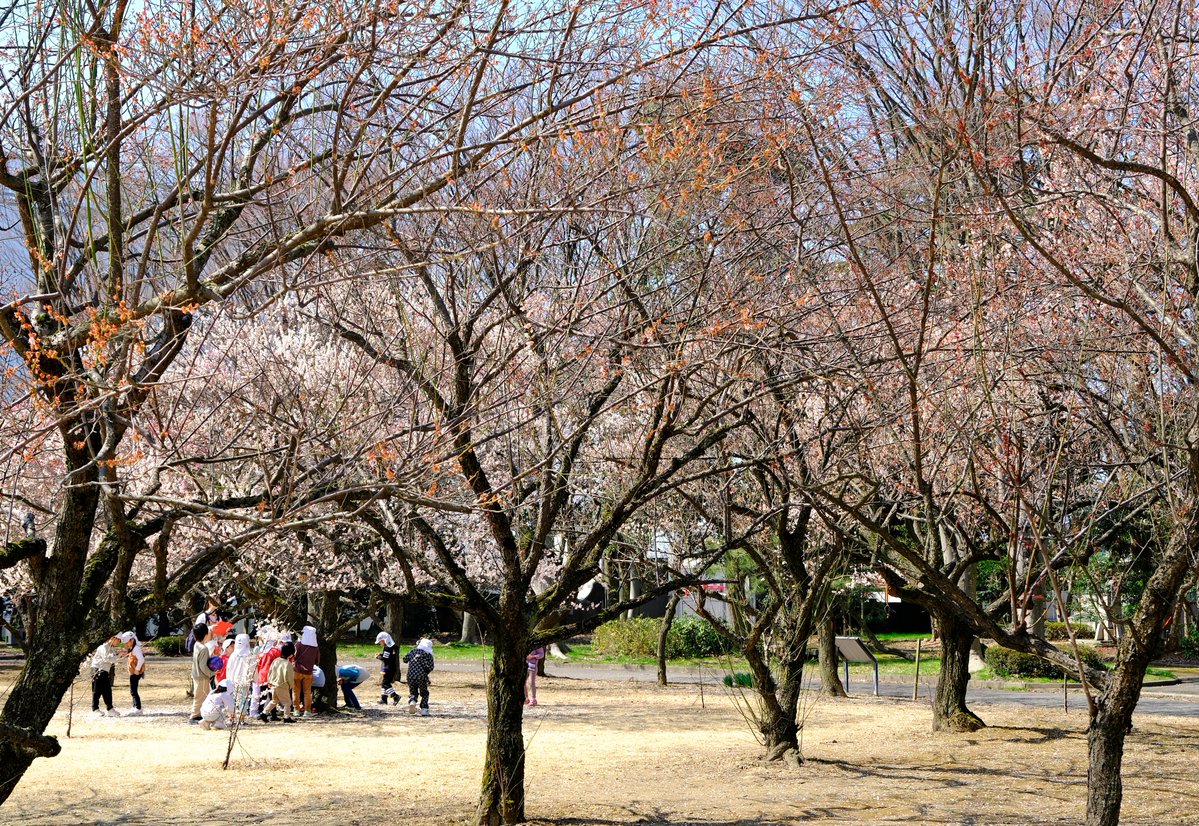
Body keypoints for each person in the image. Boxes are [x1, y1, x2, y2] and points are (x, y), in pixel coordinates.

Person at [260, 642, 296, 724]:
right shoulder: (288, 664)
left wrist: (269, 681)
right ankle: (286, 717)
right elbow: (290, 677)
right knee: (287, 702)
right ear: (291, 654)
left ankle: (264, 713)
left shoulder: (276, 661)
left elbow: (270, 671)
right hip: (282, 685)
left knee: (274, 700)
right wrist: (291, 685)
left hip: (273, 684)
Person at [89, 635, 124, 717]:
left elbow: (113, 659)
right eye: (118, 640)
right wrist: (118, 656)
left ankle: (110, 709)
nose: (119, 642)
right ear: (113, 638)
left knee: (107, 690)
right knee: (97, 690)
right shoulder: (103, 647)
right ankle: (95, 709)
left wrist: (120, 655)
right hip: (97, 670)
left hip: (104, 671)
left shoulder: (111, 648)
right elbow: (106, 658)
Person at [251, 628, 282, 719]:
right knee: (273, 695)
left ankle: (261, 712)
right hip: (271, 674)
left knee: (263, 695)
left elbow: (258, 664)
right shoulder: (275, 651)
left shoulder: (261, 652)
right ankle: (273, 714)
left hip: (262, 674)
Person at [225, 633, 255, 723]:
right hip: (244, 680)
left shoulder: (233, 655)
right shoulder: (249, 654)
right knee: (243, 700)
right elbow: (253, 668)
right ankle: (241, 719)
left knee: (232, 699)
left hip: (233, 680)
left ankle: (231, 718)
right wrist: (254, 679)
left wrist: (228, 679)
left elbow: (228, 668)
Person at [402, 637, 435, 717]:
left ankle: (412, 701)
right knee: (424, 693)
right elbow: (431, 667)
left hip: (410, 676)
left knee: (413, 692)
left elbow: (405, 659)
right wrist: (426, 673)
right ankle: (424, 709)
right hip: (421, 676)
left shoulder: (413, 651)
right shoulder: (428, 655)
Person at [293, 625, 319, 717]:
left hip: (297, 670)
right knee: (307, 692)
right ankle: (307, 711)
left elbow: (294, 656)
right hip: (308, 672)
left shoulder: (299, 644)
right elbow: (317, 660)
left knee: (296, 691)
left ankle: (296, 710)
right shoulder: (315, 647)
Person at [189, 623, 213, 723]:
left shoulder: (196, 645)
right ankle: (194, 716)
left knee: (201, 695)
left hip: (196, 674)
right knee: (200, 697)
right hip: (202, 676)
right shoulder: (204, 648)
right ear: (206, 634)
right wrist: (212, 673)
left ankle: (199, 714)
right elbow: (203, 666)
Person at [119, 632, 145, 716]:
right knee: (133, 690)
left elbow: (141, 659)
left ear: (132, 640)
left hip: (135, 672)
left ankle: (138, 708)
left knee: (133, 691)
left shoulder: (136, 648)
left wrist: (137, 669)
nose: (126, 644)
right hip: (133, 672)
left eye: (127, 642)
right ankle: (135, 706)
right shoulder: (133, 648)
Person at [375, 631, 399, 705]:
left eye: (380, 641)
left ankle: (395, 696)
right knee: (384, 683)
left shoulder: (387, 648)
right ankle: (384, 699)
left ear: (384, 640)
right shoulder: (393, 646)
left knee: (385, 683)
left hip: (389, 668)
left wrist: (378, 657)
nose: (380, 643)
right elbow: (389, 656)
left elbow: (385, 659)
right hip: (392, 667)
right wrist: (381, 654)